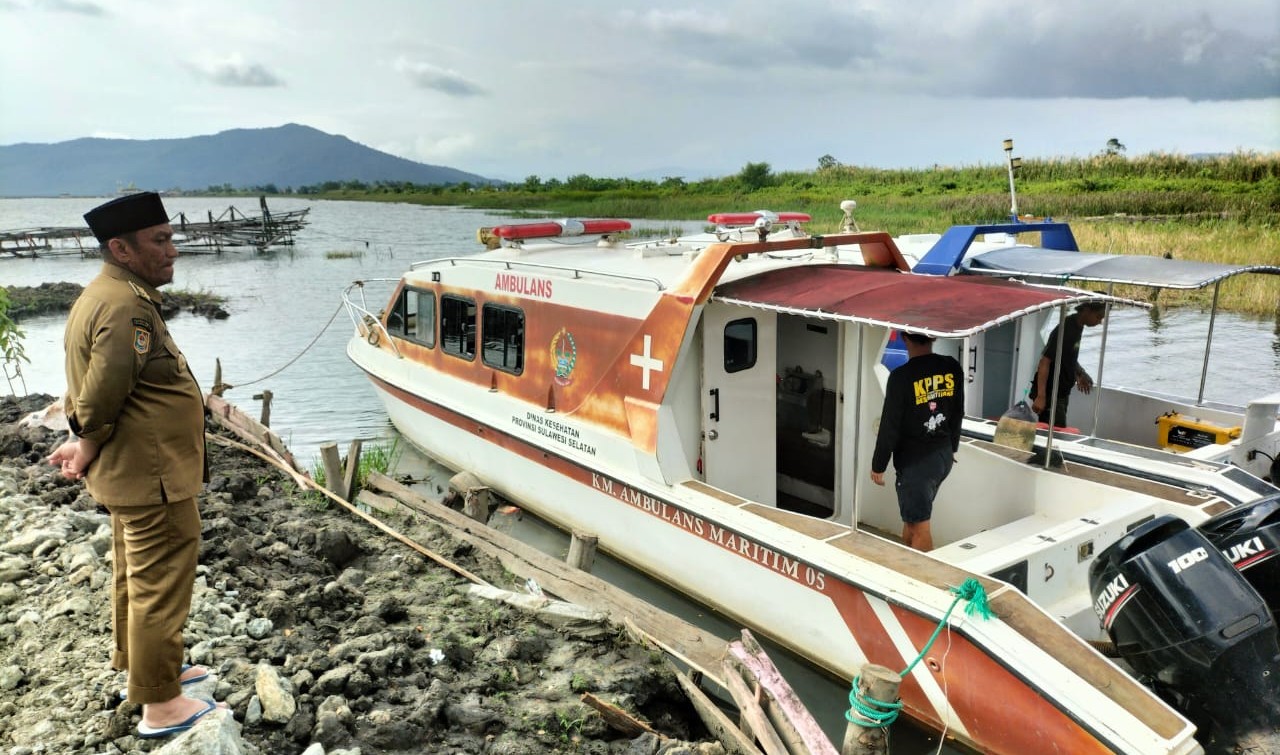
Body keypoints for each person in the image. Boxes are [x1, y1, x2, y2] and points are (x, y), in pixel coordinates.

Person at [47, 192, 223, 738]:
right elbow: (101, 397)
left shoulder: (108, 293)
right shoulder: (125, 305)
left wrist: (84, 445)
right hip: (153, 474)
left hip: (140, 471)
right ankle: (161, 705)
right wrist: (88, 442)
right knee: (158, 584)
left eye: (171, 237)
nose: (173, 250)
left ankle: (147, 673)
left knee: (135, 577)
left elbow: (99, 390)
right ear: (120, 248)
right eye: (160, 241)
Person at [869, 332, 964, 552]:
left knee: (920, 528)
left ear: (904, 338)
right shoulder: (951, 366)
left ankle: (920, 581)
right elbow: (958, 412)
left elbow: (889, 426)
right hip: (942, 456)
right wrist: (953, 448)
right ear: (934, 337)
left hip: (917, 464)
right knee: (912, 521)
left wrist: (878, 465)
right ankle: (906, 563)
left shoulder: (901, 377)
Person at [1029, 301, 1107, 428]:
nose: (1100, 322)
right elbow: (1045, 361)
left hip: (1062, 391)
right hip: (1051, 393)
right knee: (1057, 431)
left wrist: (1080, 373)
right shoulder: (1066, 329)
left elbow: (1067, 356)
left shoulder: (1078, 326)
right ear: (1086, 310)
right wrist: (1041, 396)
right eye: (1098, 316)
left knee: (1058, 427)